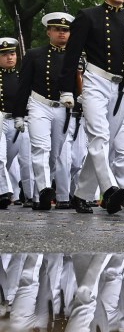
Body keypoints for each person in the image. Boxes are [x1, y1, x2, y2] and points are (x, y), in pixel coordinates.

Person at [58, 0, 124, 214]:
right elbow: (71, 56)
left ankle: (81, 195)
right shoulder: (88, 16)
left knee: (104, 142)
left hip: (122, 86)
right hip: (95, 81)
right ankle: (110, 189)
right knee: (99, 137)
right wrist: (66, 90)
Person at [14, 12, 74, 211]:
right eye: (57, 29)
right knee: (41, 149)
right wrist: (19, 114)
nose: (62, 33)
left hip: (63, 109)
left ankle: (44, 188)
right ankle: (44, 191)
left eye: (65, 30)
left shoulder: (76, 57)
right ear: (49, 31)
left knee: (54, 155)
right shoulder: (34, 55)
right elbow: (23, 86)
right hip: (39, 105)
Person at [0, 37, 22, 209]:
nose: (10, 57)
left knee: (10, 159)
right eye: (5, 55)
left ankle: (12, 192)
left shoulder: (21, 76)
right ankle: (4, 193)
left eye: (12, 54)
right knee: (0, 158)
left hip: (16, 122)